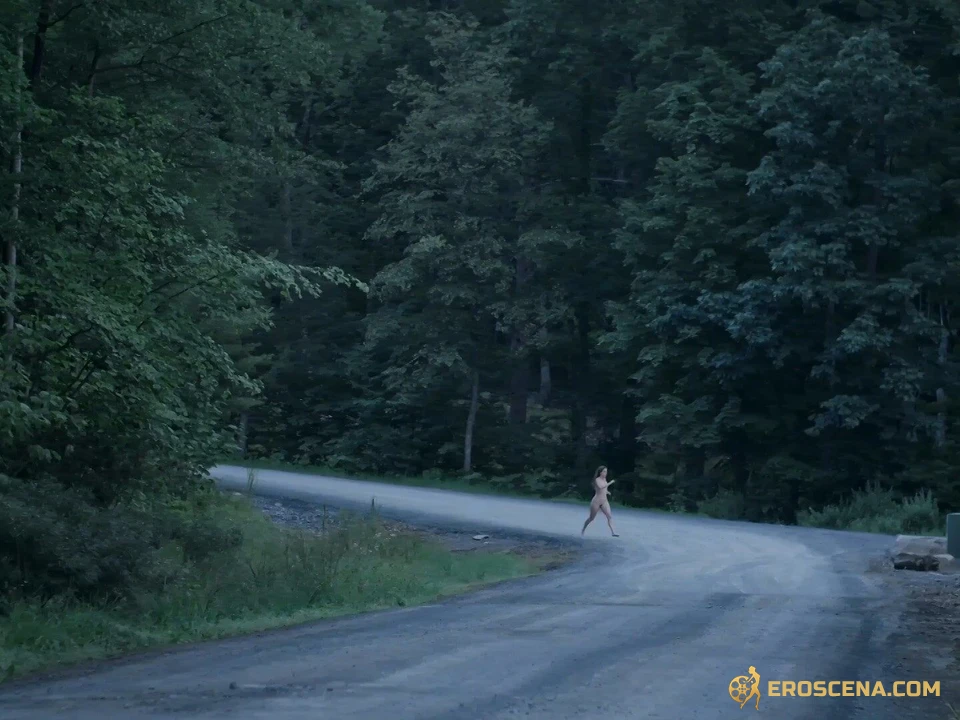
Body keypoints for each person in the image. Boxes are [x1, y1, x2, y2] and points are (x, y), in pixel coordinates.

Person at [581, 465, 618, 537]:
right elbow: (600, 487)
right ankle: (583, 529)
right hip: (596, 501)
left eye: (606, 472)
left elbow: (604, 489)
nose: (605, 473)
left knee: (609, 516)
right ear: (600, 472)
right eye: (604, 471)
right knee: (591, 518)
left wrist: (607, 492)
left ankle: (613, 532)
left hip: (604, 501)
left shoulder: (604, 480)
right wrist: (610, 483)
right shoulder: (597, 480)